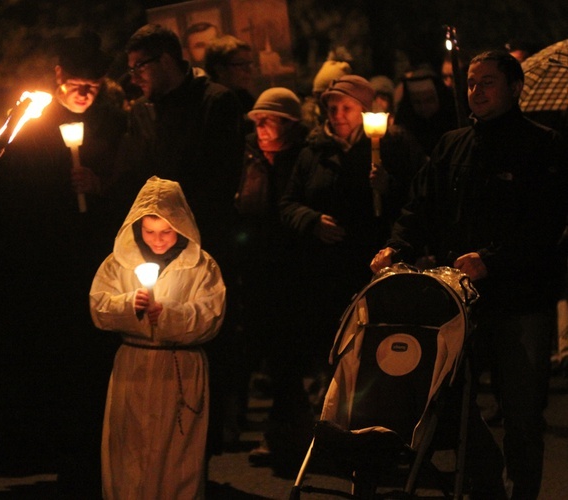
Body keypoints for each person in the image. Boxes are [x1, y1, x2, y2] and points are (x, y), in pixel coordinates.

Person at [370, 50, 568, 499]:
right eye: (472, 83)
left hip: (519, 300)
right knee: (451, 402)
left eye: (488, 82)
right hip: (457, 299)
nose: (476, 91)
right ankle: (485, 479)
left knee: (520, 410)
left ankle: (523, 489)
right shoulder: (451, 143)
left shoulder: (544, 145)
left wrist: (493, 259)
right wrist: (396, 245)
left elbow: (546, 223)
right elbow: (421, 206)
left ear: (515, 88)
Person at [0, 31, 126, 497]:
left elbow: (129, 186)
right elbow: (7, 195)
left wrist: (98, 188)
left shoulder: (112, 124)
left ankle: (86, 456)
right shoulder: (33, 124)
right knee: (44, 361)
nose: (83, 95)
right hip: (39, 266)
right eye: (77, 85)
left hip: (91, 264)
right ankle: (39, 448)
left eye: (92, 88)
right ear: (59, 78)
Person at [279, 75, 426, 472]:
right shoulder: (313, 151)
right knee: (334, 356)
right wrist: (311, 220)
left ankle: (380, 439)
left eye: (346, 108)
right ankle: (335, 438)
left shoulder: (392, 145)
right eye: (332, 108)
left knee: (376, 356)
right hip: (325, 273)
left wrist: (387, 185)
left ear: (364, 111)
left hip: (372, 267)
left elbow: (418, 200)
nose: (338, 115)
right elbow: (288, 202)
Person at [115, 23, 244, 459]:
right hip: (153, 247)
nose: (135, 77)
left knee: (199, 337)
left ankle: (203, 441)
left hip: (201, 244)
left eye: (140, 66)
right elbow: (133, 176)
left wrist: (177, 222)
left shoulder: (217, 103)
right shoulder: (142, 111)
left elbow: (221, 177)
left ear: (166, 60)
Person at [89, 176, 226, 500]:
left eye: (166, 231)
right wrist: (127, 305)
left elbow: (211, 315)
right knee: (129, 450)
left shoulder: (201, 266)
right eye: (149, 232)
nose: (158, 240)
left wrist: (167, 314)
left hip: (178, 370)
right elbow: (99, 305)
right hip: (134, 368)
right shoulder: (117, 264)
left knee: (176, 455)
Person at [229, 87, 311, 470]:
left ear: (289, 124)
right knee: (271, 352)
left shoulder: (306, 156)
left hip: (295, 265)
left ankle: (288, 432)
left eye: (269, 120)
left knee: (289, 352)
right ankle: (288, 429)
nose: (260, 127)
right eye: (257, 120)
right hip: (257, 263)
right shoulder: (248, 154)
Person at [394, 67, 459, 155]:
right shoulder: (405, 129)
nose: (423, 107)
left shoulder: (453, 124)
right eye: (417, 102)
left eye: (429, 101)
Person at [204, 34, 257, 131]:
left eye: (250, 63)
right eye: (240, 64)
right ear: (219, 69)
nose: (248, 70)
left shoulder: (245, 97)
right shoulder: (211, 104)